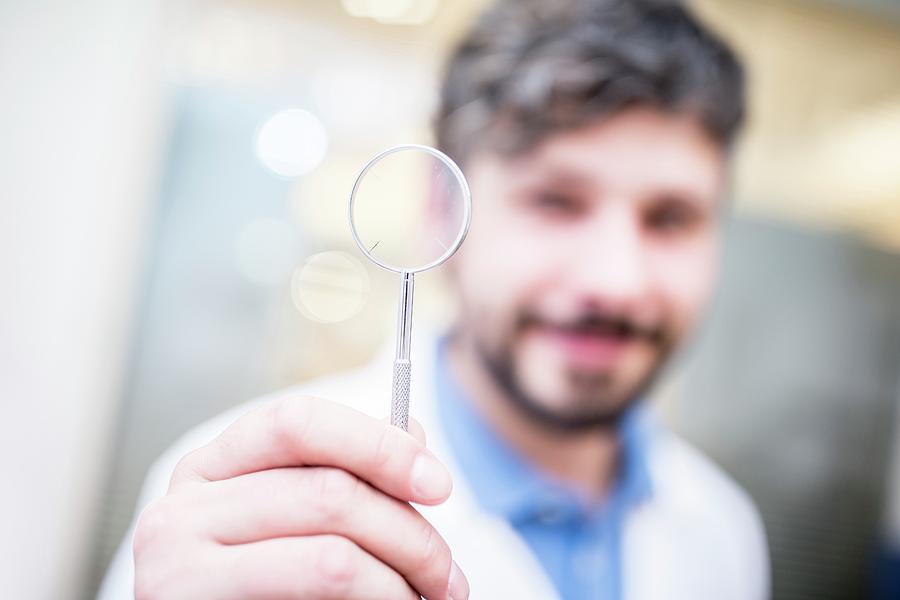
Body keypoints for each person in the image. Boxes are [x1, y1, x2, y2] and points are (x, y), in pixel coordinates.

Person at [100, 0, 769, 598]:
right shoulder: (233, 513)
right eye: (556, 202)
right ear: (439, 208)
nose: (617, 281)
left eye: (671, 218)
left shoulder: (724, 530)